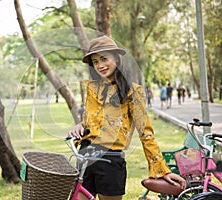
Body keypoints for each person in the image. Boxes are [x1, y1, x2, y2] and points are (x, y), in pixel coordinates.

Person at [67, 35, 186, 200]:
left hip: (110, 161)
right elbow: (91, 120)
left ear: (116, 58)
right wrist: (80, 125)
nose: (100, 65)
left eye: (104, 59)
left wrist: (161, 169)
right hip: (85, 157)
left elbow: (146, 134)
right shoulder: (92, 89)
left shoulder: (132, 92)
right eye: (95, 62)